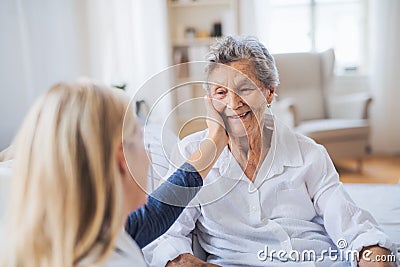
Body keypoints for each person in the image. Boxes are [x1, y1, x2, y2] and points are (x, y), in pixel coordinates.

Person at [143, 36, 397, 267]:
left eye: (245, 89)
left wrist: (374, 256)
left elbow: (355, 229)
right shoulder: (192, 153)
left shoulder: (309, 154)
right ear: (209, 100)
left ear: (270, 92)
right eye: (221, 92)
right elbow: (166, 236)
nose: (233, 104)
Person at [0, 80, 227, 267]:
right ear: (122, 158)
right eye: (141, 142)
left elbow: (154, 216)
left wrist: (215, 139)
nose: (148, 157)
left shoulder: (75, 235)